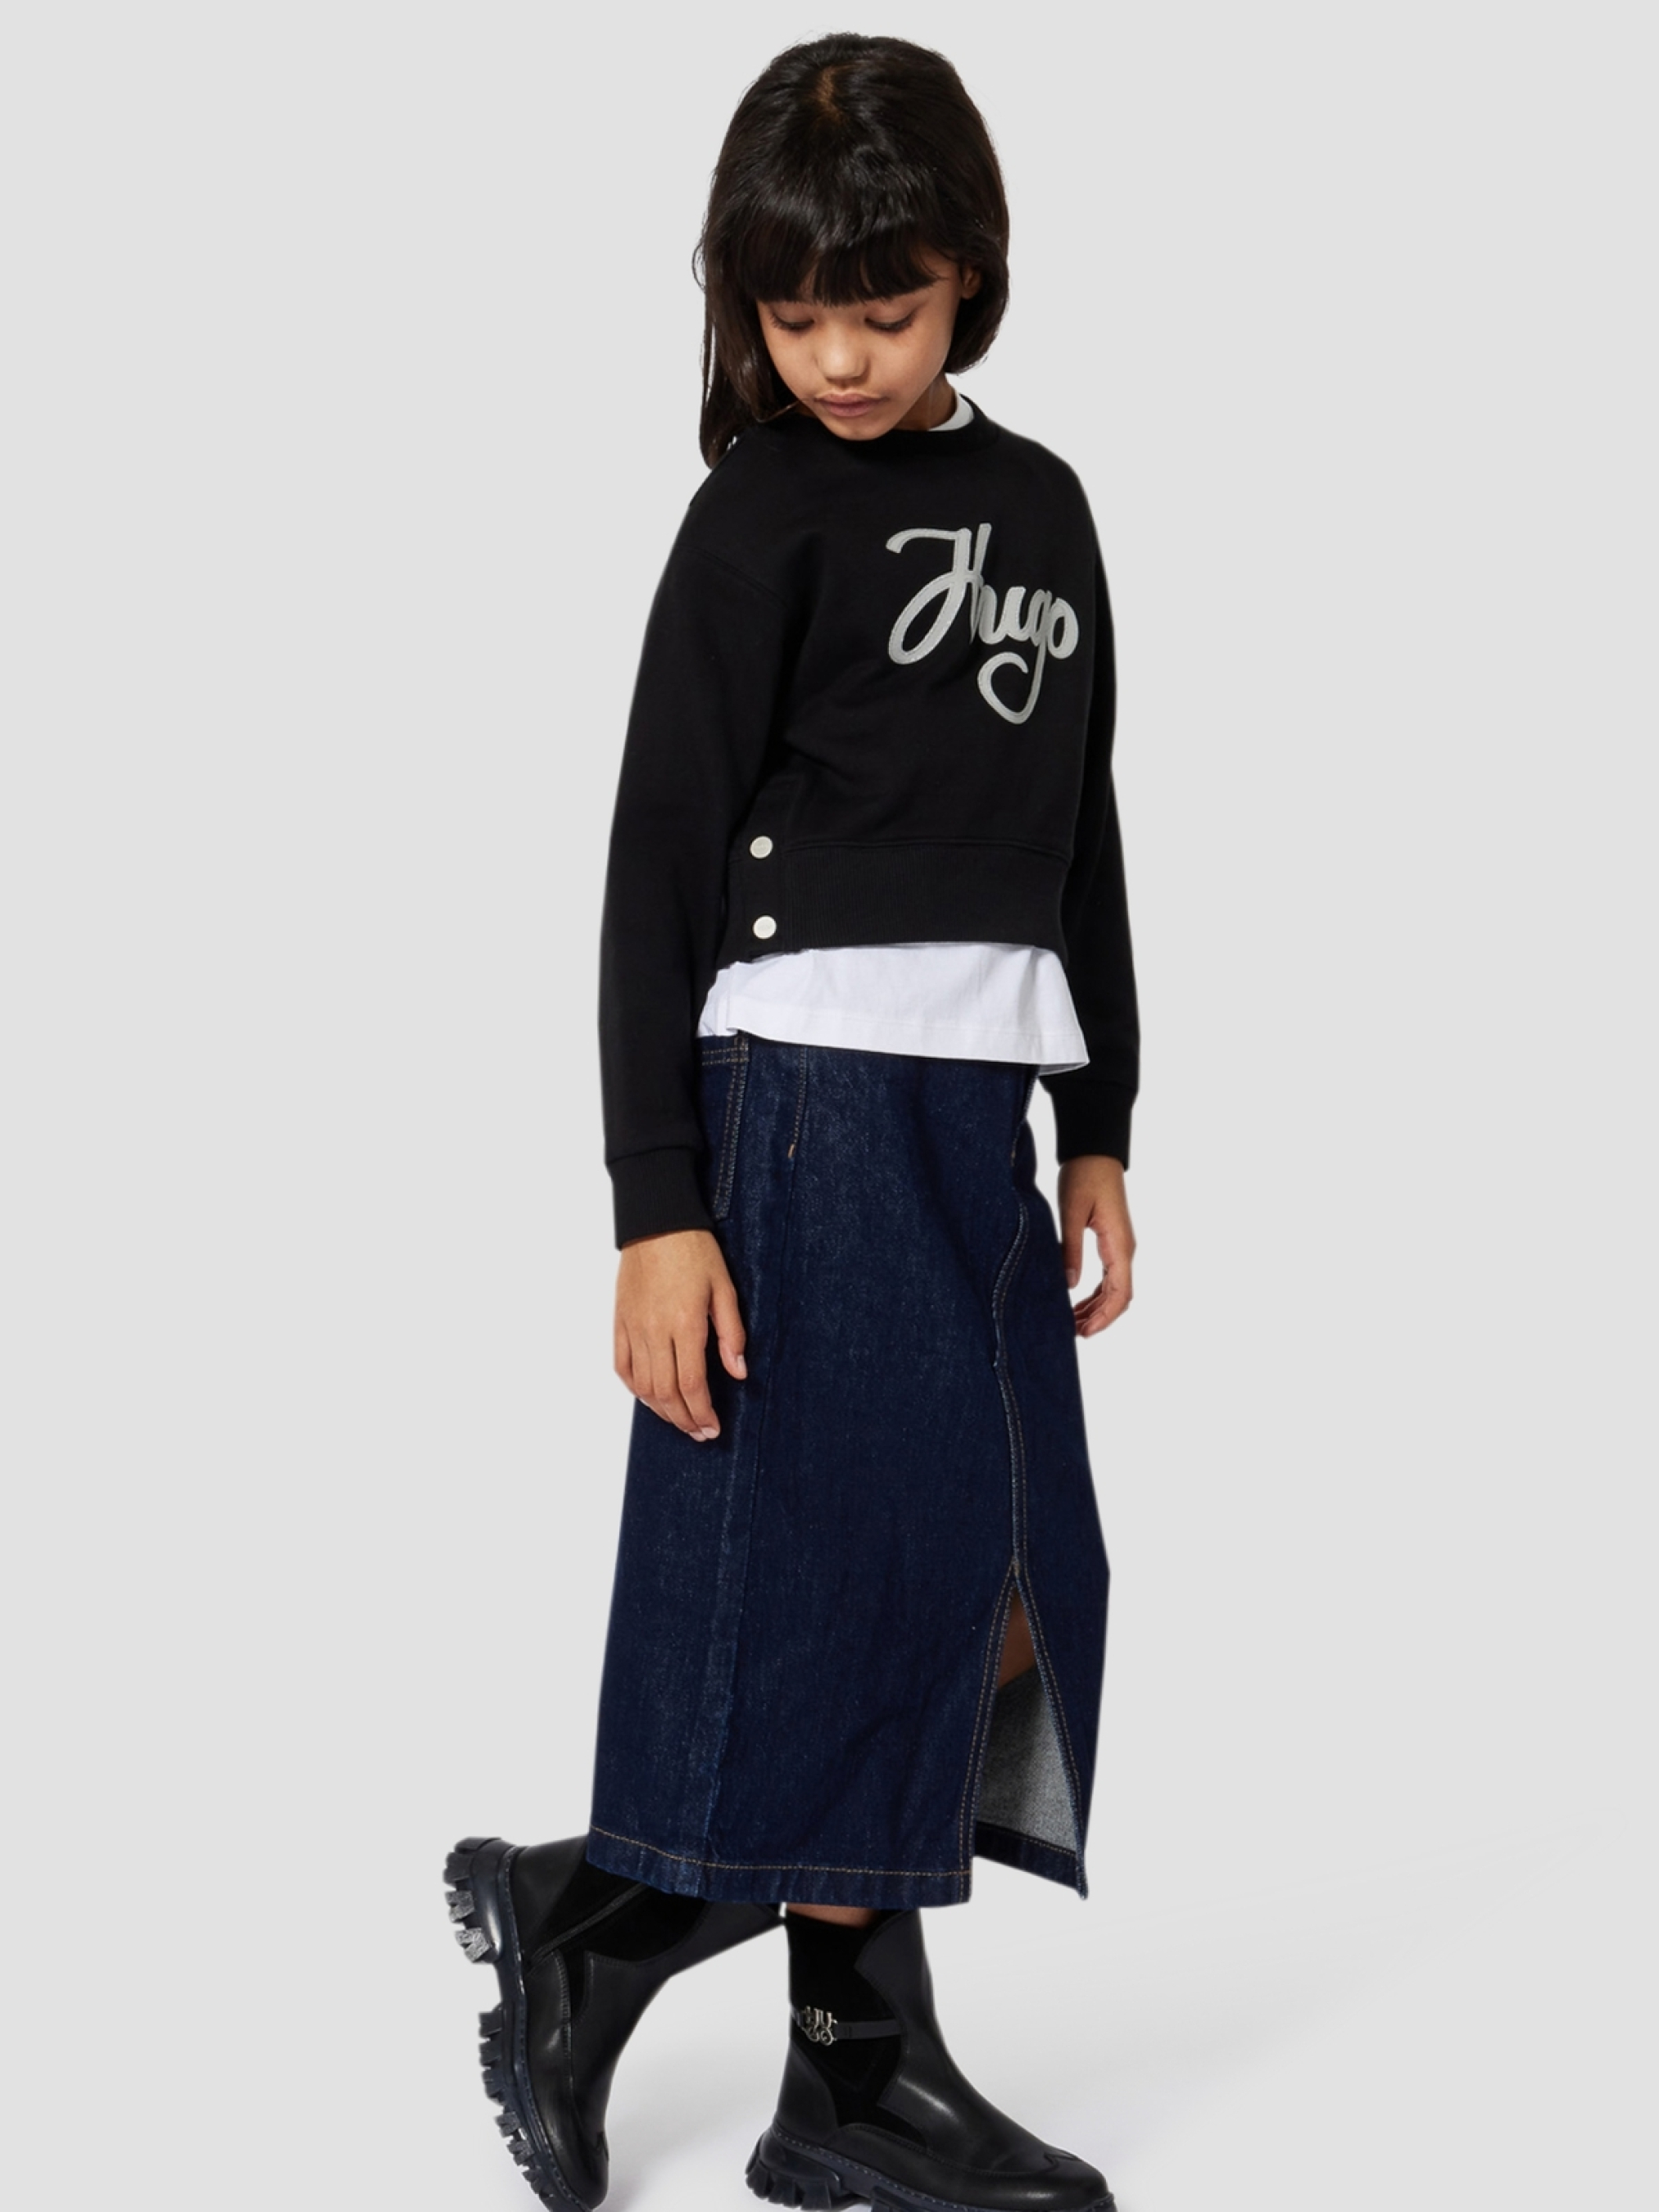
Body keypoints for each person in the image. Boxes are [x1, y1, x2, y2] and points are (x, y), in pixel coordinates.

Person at [444, 34, 1138, 2212]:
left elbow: (1081, 832)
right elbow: (653, 862)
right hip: (803, 1106)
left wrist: (1102, 1116)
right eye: (797, 313)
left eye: (887, 309)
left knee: (991, 1577)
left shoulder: (1044, 509)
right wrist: (658, 1202)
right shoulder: (755, 518)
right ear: (745, 305)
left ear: (969, 281)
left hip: (978, 1114)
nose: (840, 357)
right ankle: (833, 2052)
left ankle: (629, 1931)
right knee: (839, 1579)